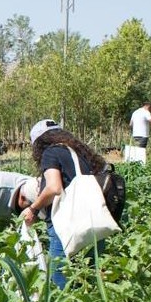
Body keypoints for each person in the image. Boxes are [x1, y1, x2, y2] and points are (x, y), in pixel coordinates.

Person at [20, 118, 109, 289]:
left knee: (61, 280)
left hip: (66, 226)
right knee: (89, 278)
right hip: (94, 222)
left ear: (38, 143)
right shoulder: (82, 153)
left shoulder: (50, 153)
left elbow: (54, 188)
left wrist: (33, 208)